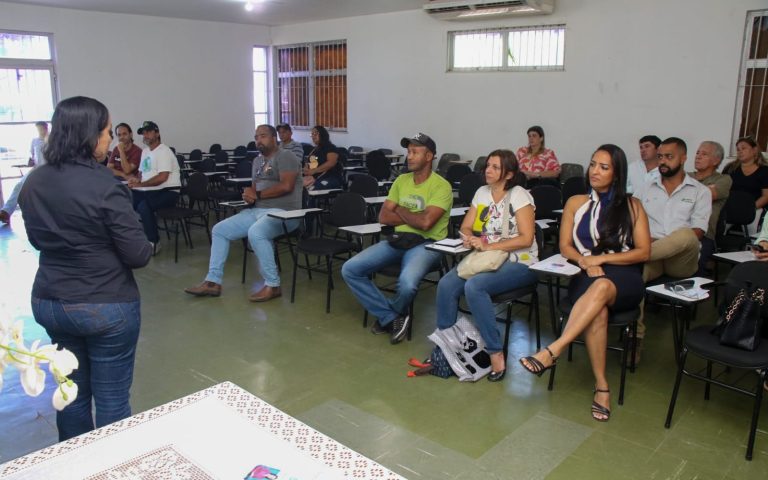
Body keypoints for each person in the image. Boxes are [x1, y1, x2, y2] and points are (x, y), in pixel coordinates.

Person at [18, 96, 152, 441]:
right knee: (111, 401)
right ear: (90, 136)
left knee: (71, 394)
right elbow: (137, 255)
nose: (109, 140)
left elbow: (37, 240)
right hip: (105, 304)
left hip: (51, 301)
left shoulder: (34, 182)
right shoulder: (104, 185)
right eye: (107, 132)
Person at [520, 144, 651, 421]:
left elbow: (643, 252)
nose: (595, 171)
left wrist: (600, 261)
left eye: (604, 167)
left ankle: (553, 349)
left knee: (602, 287)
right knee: (598, 312)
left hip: (624, 276)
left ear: (617, 174)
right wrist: (584, 262)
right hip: (584, 273)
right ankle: (602, 386)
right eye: (593, 164)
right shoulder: (576, 202)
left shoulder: (632, 205)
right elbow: (566, 247)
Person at [434, 149, 538, 381]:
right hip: (488, 259)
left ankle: (495, 352)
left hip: (520, 262)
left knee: (475, 286)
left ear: (509, 174)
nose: (488, 170)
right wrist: (469, 236)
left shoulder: (519, 194)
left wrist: (487, 244)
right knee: (446, 284)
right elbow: (466, 226)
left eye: (495, 167)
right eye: (487, 166)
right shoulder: (482, 193)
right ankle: (449, 350)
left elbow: (526, 238)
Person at [341, 133, 452, 345]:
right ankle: (391, 317)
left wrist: (400, 210)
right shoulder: (401, 180)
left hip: (428, 243)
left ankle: (390, 315)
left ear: (429, 156)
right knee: (350, 269)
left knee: (408, 284)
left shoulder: (441, 186)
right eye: (408, 152)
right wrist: (414, 217)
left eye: (415, 152)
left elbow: (427, 223)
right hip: (399, 239)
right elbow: (383, 216)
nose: (409, 157)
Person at [184, 124, 302, 302]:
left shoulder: (286, 156)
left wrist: (257, 194)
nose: (258, 140)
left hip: (285, 212)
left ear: (273, 138)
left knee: (257, 233)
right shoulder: (257, 161)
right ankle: (213, 282)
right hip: (258, 210)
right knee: (219, 229)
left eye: (262, 136)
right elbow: (255, 190)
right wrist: (249, 196)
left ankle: (273, 284)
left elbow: (287, 186)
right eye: (256, 137)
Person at [633, 137, 711, 363]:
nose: (663, 162)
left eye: (669, 156)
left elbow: (698, 231)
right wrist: (645, 239)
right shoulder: (646, 187)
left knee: (685, 234)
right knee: (636, 273)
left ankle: (631, 256)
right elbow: (633, 219)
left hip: (680, 257)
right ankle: (635, 337)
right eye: (660, 157)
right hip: (652, 250)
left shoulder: (700, 191)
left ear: (683, 157)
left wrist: (650, 246)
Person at [128, 121, 181, 252]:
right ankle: (130, 239)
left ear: (157, 133)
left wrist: (140, 184)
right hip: (149, 191)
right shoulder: (145, 152)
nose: (145, 135)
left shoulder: (164, 151)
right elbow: (141, 174)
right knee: (125, 198)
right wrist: (135, 181)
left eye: (148, 132)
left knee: (143, 206)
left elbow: (162, 178)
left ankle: (153, 242)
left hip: (168, 192)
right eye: (143, 133)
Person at [688, 141, 731, 275]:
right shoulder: (686, 176)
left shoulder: (724, 179)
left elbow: (706, 196)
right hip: (675, 228)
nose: (698, 156)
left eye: (704, 154)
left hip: (703, 234)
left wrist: (685, 193)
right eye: (697, 153)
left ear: (716, 160)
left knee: (694, 268)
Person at [0, 121, 48, 224]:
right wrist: (30, 162)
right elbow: (33, 157)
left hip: (49, 169)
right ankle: (6, 212)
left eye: (41, 129)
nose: (40, 131)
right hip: (36, 169)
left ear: (46, 128)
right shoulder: (34, 141)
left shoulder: (52, 140)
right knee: (19, 185)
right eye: (38, 129)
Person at [723, 136, 768, 210]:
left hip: (755, 211)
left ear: (754, 150)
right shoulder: (730, 168)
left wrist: (749, 209)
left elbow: (766, 197)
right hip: (730, 209)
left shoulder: (765, 171)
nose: (740, 152)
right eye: (738, 149)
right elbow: (723, 190)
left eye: (743, 148)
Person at [303, 125, 343, 190]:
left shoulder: (330, 147)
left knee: (313, 188)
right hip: (316, 177)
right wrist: (306, 168)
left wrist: (314, 171)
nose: (313, 136)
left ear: (323, 135)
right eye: (312, 134)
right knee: (296, 185)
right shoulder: (315, 149)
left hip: (330, 177)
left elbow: (331, 163)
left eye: (315, 133)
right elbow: (313, 163)